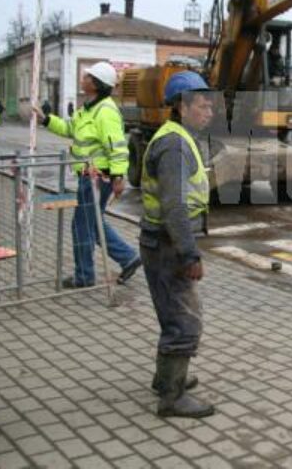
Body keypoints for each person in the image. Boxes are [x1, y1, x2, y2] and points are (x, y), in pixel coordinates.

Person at [140, 71, 214, 418]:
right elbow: (175, 207)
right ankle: (172, 397)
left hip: (162, 243)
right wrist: (190, 253)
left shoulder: (177, 138)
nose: (209, 111)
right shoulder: (174, 145)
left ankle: (163, 378)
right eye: (202, 105)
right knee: (185, 320)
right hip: (168, 246)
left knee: (173, 313)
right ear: (182, 107)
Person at [33, 62, 141, 288]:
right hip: (88, 176)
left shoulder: (106, 112)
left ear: (96, 84)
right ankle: (128, 257)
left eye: (87, 76)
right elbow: (69, 129)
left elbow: (118, 147)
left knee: (82, 225)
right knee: (92, 223)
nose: (83, 78)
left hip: (99, 178)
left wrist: (119, 177)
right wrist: (46, 119)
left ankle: (84, 275)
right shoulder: (88, 109)